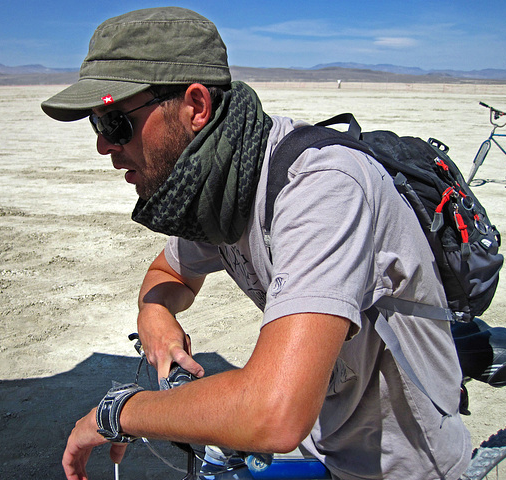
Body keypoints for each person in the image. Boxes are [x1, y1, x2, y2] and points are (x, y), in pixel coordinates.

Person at [42, 7, 471, 480]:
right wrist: (156, 314)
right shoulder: (219, 189)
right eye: (96, 125)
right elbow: (168, 274)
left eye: (115, 122)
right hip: (319, 442)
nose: (104, 146)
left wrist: (119, 413)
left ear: (196, 106)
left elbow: (273, 412)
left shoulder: (321, 188)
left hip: (399, 464)